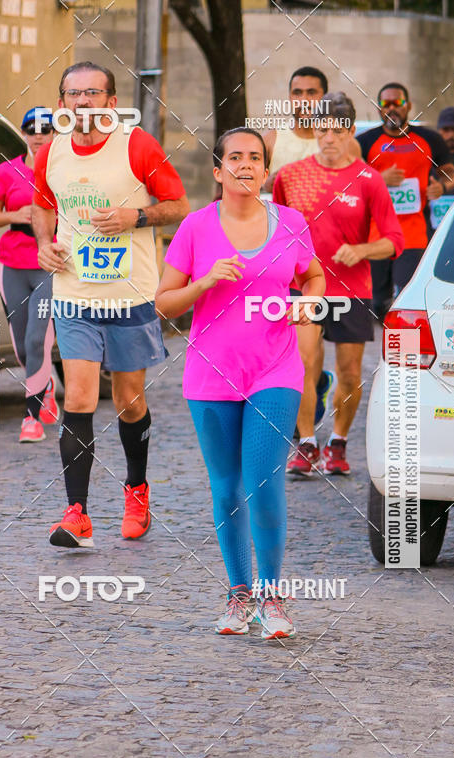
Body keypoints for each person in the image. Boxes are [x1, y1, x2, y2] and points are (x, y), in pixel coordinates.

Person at [156, 127, 325, 639]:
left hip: (275, 370)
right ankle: (238, 595)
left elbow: (314, 278)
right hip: (209, 375)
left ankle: (273, 597)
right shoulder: (194, 227)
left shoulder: (291, 223)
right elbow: (163, 303)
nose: (245, 165)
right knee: (226, 487)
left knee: (263, 480)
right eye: (235, 157)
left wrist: (307, 306)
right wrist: (205, 281)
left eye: (255, 157)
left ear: (266, 170)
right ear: (218, 169)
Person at [32, 62, 189, 547]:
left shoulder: (136, 145)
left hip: (129, 294)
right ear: (61, 104)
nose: (82, 102)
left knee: (128, 401)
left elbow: (179, 204)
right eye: (73, 94)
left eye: (92, 93)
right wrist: (44, 243)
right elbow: (42, 206)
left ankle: (137, 488)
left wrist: (135, 215)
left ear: (112, 102)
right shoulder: (52, 151)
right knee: (78, 397)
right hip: (74, 293)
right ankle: (76, 514)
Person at [274, 93, 404, 476]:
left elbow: (394, 240)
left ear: (349, 132)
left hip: (352, 290)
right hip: (304, 287)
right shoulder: (290, 175)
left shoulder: (369, 180)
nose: (328, 137)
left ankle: (338, 441)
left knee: (349, 372)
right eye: (322, 129)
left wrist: (362, 249)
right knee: (302, 363)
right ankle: (307, 443)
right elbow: (279, 229)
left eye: (336, 129)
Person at [263, 66, 337, 429]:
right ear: (289, 96)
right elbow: (250, 188)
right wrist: (270, 181)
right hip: (283, 255)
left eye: (312, 92)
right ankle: (306, 401)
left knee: (312, 344)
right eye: (298, 92)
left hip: (328, 255)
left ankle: (316, 386)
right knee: (295, 341)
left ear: (324, 97)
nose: (304, 100)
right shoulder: (274, 139)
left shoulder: (332, 141)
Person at [0, 106, 57, 442]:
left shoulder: (62, 171)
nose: (38, 135)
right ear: (25, 134)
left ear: (56, 133)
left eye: (46, 128)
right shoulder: (7, 171)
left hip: (48, 265)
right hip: (12, 264)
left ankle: (31, 420)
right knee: (22, 347)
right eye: (32, 129)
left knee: (36, 338)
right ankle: (46, 385)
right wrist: (17, 213)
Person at [358, 82, 454, 319]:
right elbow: (349, 181)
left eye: (398, 103)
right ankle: (386, 347)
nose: (392, 108)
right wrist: (378, 178)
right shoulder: (365, 142)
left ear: (408, 106)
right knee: (378, 302)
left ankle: (403, 347)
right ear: (379, 108)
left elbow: (450, 170)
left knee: (406, 297)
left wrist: (442, 187)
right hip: (375, 234)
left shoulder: (428, 139)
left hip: (413, 233)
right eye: (386, 103)